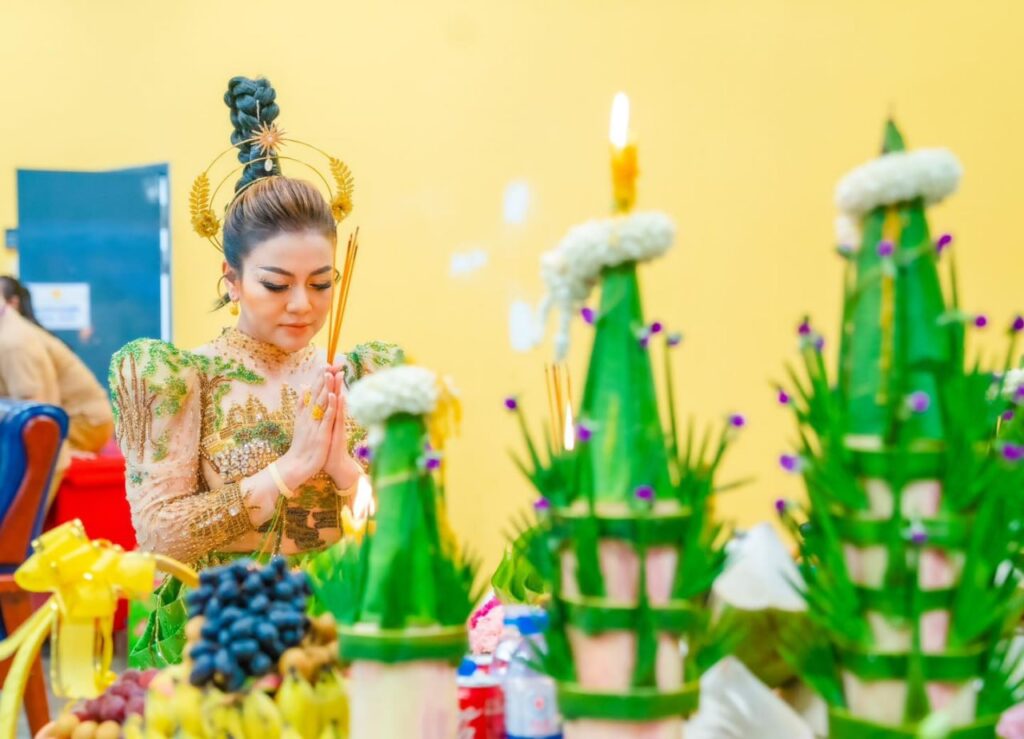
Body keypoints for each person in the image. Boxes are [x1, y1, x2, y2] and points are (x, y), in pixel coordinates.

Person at [110, 76, 400, 570]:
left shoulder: (366, 375)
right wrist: (290, 470)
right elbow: (158, 538)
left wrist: (343, 469)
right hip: (225, 612)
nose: (302, 305)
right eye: (276, 284)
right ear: (232, 279)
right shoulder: (183, 379)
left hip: (342, 608)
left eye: (321, 283)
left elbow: (403, 528)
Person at [0, 275, 115, 454]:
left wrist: (61, 452)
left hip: (85, 422)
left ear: (12, 303)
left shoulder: (15, 342)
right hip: (68, 416)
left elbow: (37, 410)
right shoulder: (14, 330)